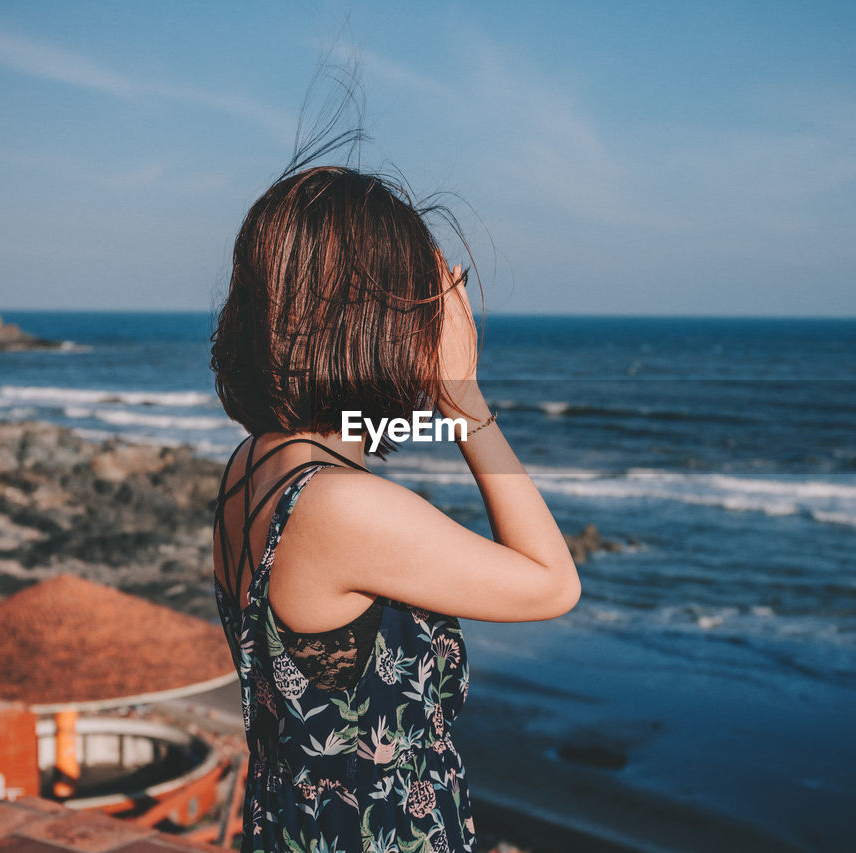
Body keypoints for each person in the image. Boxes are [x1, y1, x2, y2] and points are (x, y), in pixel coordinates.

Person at [210, 162, 581, 853]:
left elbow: (372, 435)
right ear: (371, 319)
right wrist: (464, 399)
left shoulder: (251, 466)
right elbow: (554, 582)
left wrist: (430, 408)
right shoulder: (342, 508)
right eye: (416, 304)